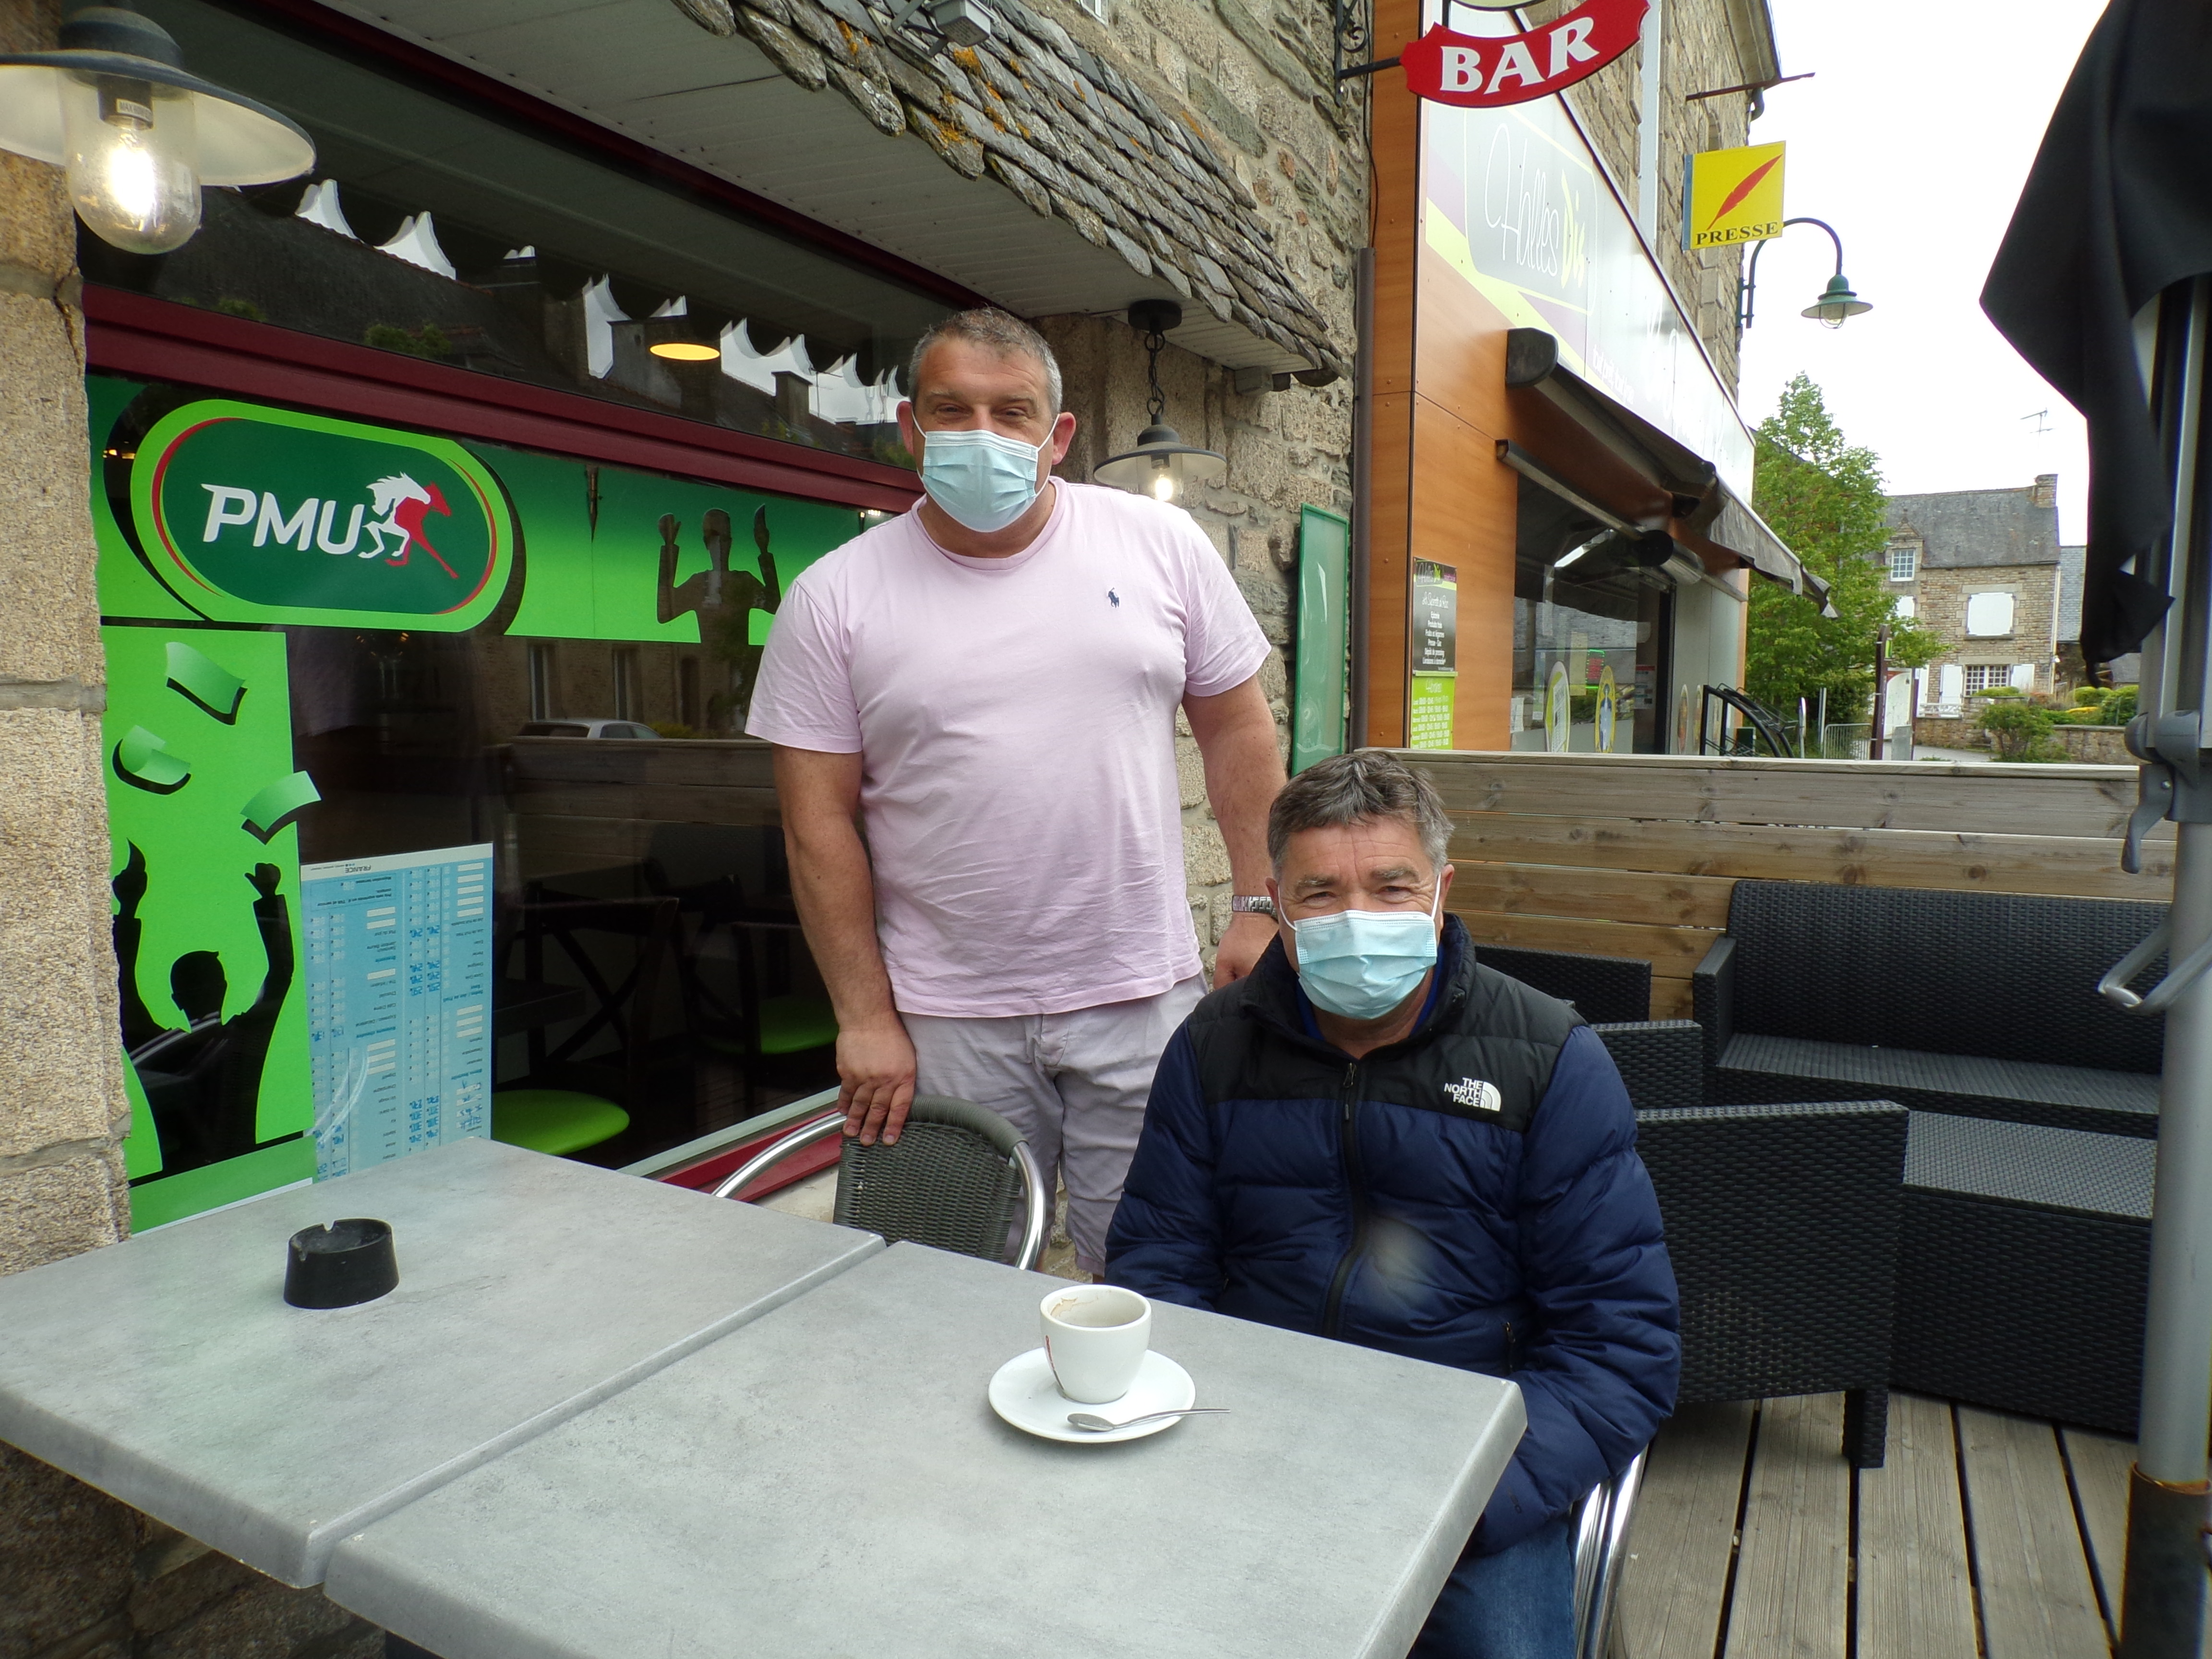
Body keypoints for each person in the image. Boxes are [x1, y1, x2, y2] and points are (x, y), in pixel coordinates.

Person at [745, 307, 1285, 1275]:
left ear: (1058, 434)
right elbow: (815, 821)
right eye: (952, 410)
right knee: (948, 1278)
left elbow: (1238, 728)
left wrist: (1258, 903)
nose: (981, 435)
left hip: (1140, 996)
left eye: (1011, 411)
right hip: (945, 1018)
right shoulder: (833, 598)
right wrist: (863, 1016)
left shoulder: (1159, 544)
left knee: (1161, 1269)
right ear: (910, 429)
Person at [1106, 750, 1678, 1659]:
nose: (1358, 918)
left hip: (1468, 1472)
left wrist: (1471, 1496)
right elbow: (1160, 1267)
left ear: (1441, 893)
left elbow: (1619, 1342)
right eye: (1322, 893)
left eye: (1391, 886)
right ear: (1276, 902)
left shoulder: (1548, 1059)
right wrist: (1209, 1436)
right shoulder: (1214, 1046)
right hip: (1246, 1438)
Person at [112, 844, 296, 1175]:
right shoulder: (244, 1037)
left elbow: (121, 987)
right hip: (245, 1169)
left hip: (182, 1176)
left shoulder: (162, 1050)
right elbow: (282, 974)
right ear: (224, 987)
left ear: (177, 999)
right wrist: (269, 897)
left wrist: (128, 907)